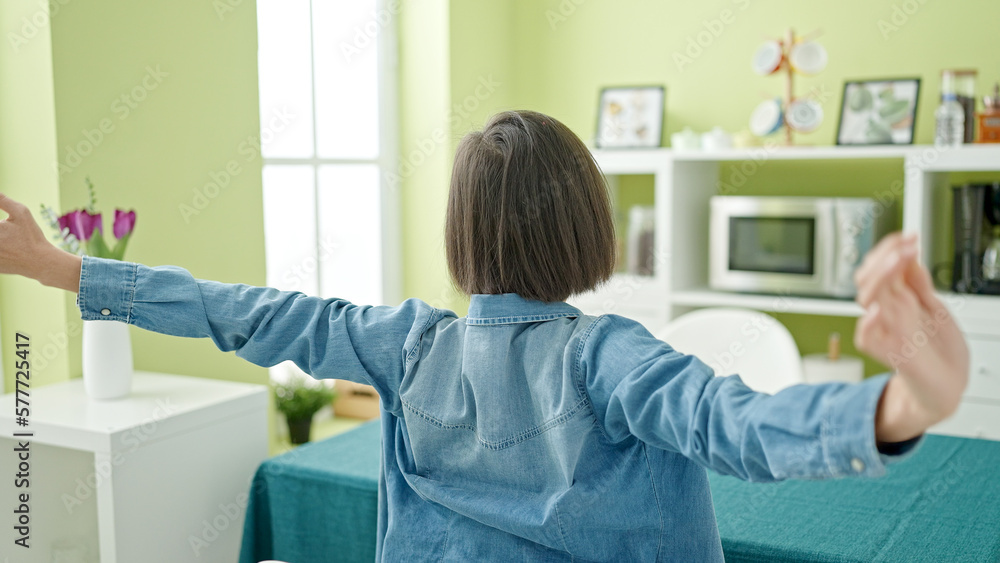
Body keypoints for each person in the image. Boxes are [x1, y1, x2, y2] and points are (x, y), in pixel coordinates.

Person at [0, 110, 969, 561]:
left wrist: (60, 267)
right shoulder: (609, 354)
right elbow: (741, 425)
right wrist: (898, 404)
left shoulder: (402, 341)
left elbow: (245, 310)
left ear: (461, 227)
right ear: (587, 224)